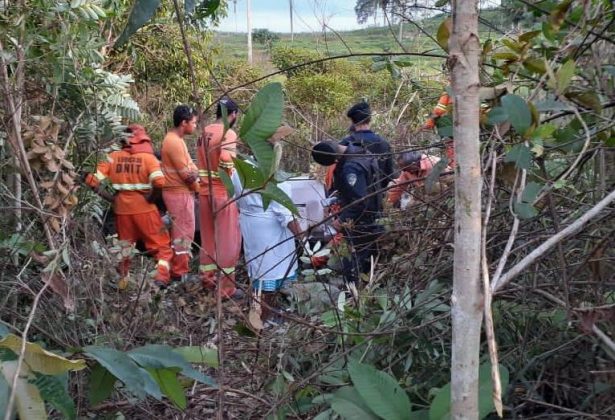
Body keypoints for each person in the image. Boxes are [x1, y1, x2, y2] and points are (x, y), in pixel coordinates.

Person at [84, 124, 173, 288]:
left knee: (124, 247)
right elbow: (160, 183)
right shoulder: (149, 158)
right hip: (146, 209)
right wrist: (151, 198)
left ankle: (123, 281)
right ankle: (161, 278)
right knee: (161, 246)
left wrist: (111, 198)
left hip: (122, 210)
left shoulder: (112, 157)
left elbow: (91, 180)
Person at [232, 128, 302, 325]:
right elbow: (285, 213)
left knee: (259, 272)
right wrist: (303, 237)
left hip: (251, 225)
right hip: (270, 231)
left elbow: (235, 196)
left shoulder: (240, 169)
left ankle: (262, 314)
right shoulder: (273, 177)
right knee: (270, 275)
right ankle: (262, 318)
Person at [311, 140, 383, 284]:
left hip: (361, 221)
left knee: (353, 262)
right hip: (373, 215)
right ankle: (363, 288)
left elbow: (359, 201)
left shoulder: (351, 168)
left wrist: (341, 219)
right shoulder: (361, 151)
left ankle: (353, 291)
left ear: (334, 159)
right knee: (366, 259)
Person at [197, 97, 243, 299]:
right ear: (233, 114)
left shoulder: (204, 131)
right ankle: (226, 289)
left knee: (208, 239)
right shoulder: (228, 132)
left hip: (204, 193)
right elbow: (225, 158)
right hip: (222, 193)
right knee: (227, 241)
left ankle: (207, 280)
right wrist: (230, 171)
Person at [161, 105, 200, 282]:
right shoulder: (174, 142)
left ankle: (178, 269)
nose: (195, 126)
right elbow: (187, 175)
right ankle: (179, 272)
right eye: (194, 123)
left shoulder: (177, 140)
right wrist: (198, 188)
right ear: (184, 123)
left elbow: (192, 168)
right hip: (178, 193)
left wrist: (195, 174)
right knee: (183, 233)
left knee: (183, 232)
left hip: (179, 192)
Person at [324, 102, 394, 192]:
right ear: (369, 119)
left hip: (350, 196)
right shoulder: (384, 144)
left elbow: (335, 177)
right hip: (376, 195)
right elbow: (389, 175)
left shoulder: (344, 144)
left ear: (352, 121)